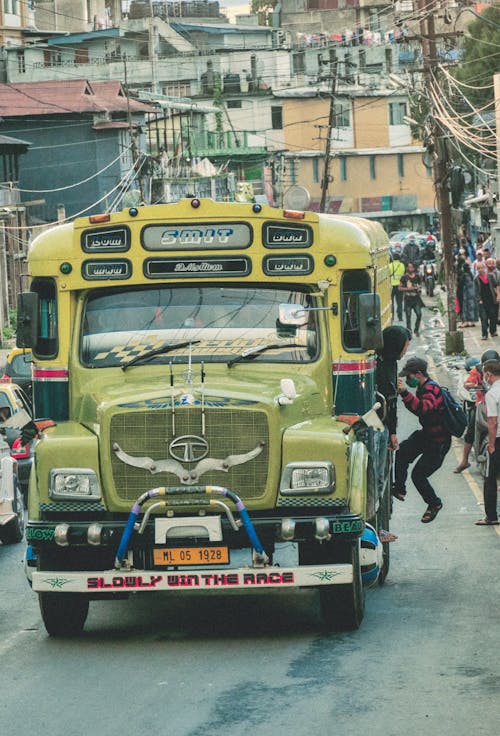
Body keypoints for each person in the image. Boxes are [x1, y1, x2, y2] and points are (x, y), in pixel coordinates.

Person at [393, 357, 452, 523]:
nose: (408, 380)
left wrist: (405, 393)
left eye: (409, 376)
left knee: (418, 475)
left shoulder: (431, 389)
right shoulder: (422, 387)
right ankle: (399, 489)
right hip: (427, 435)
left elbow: (424, 409)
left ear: (418, 374)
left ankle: (434, 503)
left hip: (439, 442)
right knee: (402, 451)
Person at [374, 325, 411, 543]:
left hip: (380, 426)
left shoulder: (386, 361)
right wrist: (392, 433)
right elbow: (389, 402)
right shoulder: (385, 366)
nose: (406, 350)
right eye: (405, 346)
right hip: (379, 428)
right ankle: (377, 527)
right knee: (378, 479)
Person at [453, 351, 497, 473]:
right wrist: (471, 385)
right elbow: (467, 383)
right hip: (481, 406)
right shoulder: (477, 371)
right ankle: (464, 461)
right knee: (471, 431)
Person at [476, 359, 500, 525]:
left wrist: (490, 444)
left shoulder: (492, 394)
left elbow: (492, 421)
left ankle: (491, 516)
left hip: (498, 439)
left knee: (490, 477)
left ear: (488, 375)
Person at [474, 262, 499, 339]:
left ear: (484, 268)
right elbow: (476, 291)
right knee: (483, 318)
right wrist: (479, 300)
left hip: (492, 299)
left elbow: (496, 285)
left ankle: (493, 331)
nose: (480, 270)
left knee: (493, 316)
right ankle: (484, 334)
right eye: (478, 268)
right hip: (483, 301)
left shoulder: (490, 276)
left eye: (481, 268)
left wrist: (498, 295)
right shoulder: (476, 279)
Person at [399, 262, 423, 337]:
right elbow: (399, 288)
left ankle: (416, 330)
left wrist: (418, 288)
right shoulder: (404, 277)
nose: (410, 269)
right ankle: (409, 331)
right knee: (408, 316)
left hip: (416, 298)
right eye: (409, 267)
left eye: (412, 267)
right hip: (408, 299)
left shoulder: (417, 277)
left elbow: (420, 285)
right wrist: (409, 288)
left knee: (419, 314)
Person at [456, 256, 477, 327]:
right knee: (471, 305)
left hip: (464, 293)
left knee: (464, 306)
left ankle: (466, 321)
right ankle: (471, 320)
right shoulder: (469, 274)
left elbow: (460, 284)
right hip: (470, 293)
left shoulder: (463, 274)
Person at [389, 253, 405, 321]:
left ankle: (392, 317)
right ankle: (400, 317)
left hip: (391, 286)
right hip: (400, 286)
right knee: (399, 302)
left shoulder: (390, 265)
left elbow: (388, 275)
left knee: (391, 302)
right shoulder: (402, 265)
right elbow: (403, 274)